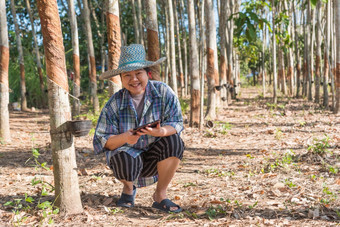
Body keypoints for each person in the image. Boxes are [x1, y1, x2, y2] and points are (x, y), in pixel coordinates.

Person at [93, 44, 184, 213]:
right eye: (127, 75)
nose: (133, 79)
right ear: (121, 78)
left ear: (147, 73)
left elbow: (177, 122)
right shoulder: (114, 103)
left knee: (174, 141)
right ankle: (128, 189)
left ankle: (160, 196)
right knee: (122, 156)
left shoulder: (163, 91)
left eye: (138, 73)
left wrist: (161, 131)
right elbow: (102, 142)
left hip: (155, 158)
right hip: (128, 160)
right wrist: (125, 138)